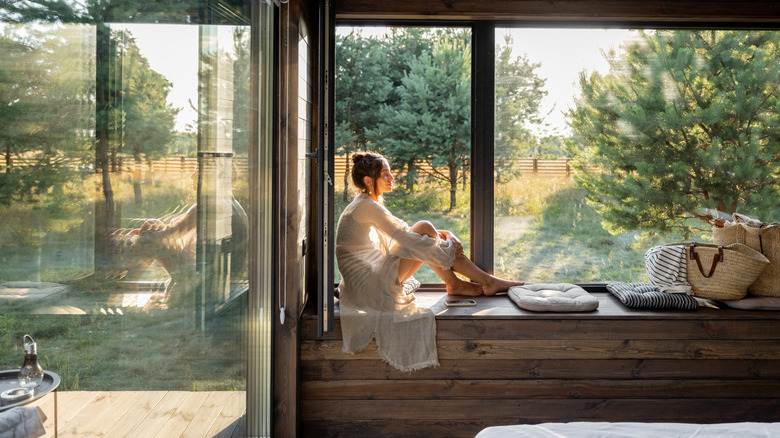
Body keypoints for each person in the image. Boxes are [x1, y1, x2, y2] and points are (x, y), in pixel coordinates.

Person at [335, 151, 523, 371]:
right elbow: (407, 237)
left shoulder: (365, 203)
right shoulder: (366, 206)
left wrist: (447, 235)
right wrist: (447, 245)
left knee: (424, 230)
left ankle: (463, 283)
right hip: (370, 290)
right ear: (369, 181)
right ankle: (481, 282)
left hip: (368, 284)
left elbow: (404, 230)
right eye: (385, 174)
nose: (392, 178)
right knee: (423, 230)